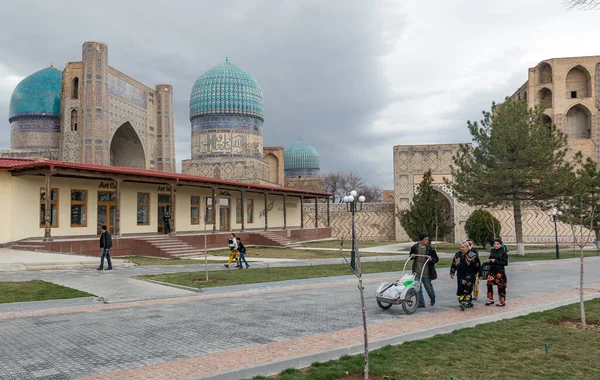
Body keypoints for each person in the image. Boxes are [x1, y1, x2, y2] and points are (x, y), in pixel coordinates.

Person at [409, 233, 439, 308]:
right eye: (426, 239)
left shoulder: (429, 249)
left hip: (426, 272)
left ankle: (432, 298)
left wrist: (431, 259)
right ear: (421, 240)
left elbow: (436, 259)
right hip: (417, 271)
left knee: (428, 288)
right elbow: (411, 255)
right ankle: (421, 303)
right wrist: (411, 255)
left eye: (427, 239)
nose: (427, 241)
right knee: (418, 288)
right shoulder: (415, 247)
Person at [450, 241, 481, 310]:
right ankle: (468, 303)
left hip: (470, 275)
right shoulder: (457, 255)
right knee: (461, 288)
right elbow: (454, 264)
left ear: (467, 247)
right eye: (461, 247)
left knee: (468, 289)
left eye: (463, 247)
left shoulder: (472, 255)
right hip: (460, 275)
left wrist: (480, 274)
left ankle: (465, 302)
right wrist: (452, 272)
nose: (461, 248)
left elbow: (478, 265)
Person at [486, 238, 509, 307]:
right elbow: (490, 258)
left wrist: (495, 261)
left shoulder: (503, 252)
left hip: (500, 272)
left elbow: (505, 263)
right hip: (492, 271)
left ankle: (502, 302)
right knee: (489, 284)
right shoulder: (492, 251)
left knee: (501, 287)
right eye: (495, 244)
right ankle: (490, 299)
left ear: (501, 245)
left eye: (497, 244)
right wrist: (489, 260)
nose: (496, 245)